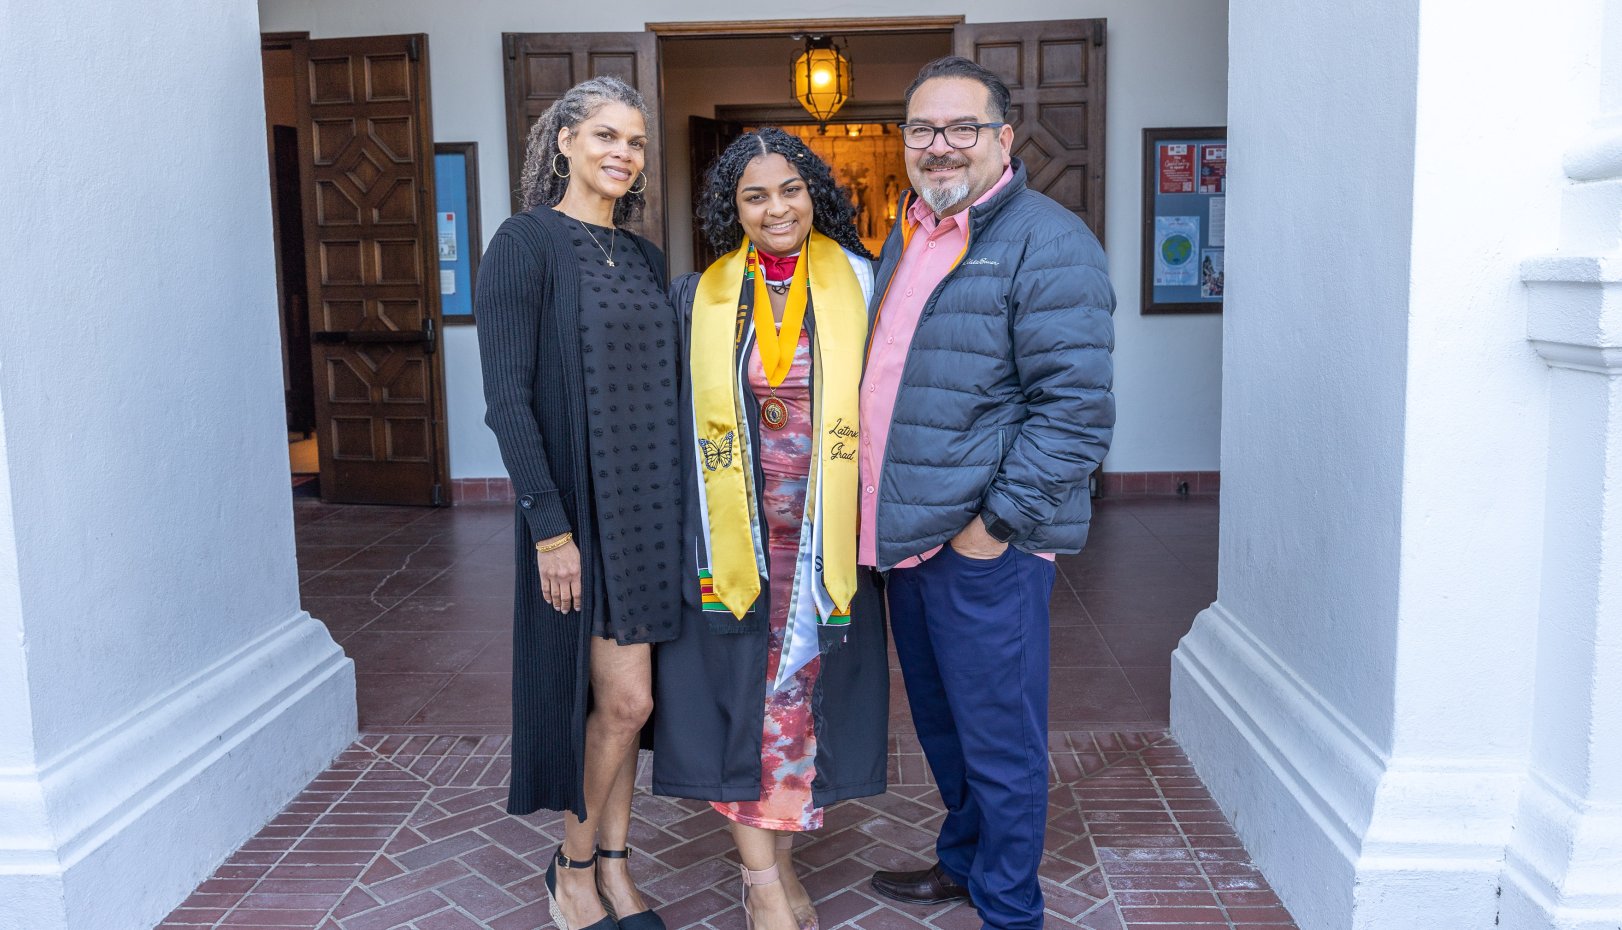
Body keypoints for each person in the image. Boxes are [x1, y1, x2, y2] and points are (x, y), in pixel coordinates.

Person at [860, 57, 1116, 930]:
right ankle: (965, 861)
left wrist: (992, 528)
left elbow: (1075, 413)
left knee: (1000, 740)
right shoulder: (909, 234)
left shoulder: (1050, 241)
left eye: (961, 128)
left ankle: (1010, 907)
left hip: (982, 546)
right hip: (908, 537)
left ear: (1003, 138)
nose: (940, 147)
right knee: (944, 728)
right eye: (923, 130)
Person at [654, 128, 889, 930]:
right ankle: (763, 888)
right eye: (754, 195)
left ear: (814, 193)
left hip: (826, 541)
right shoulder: (702, 297)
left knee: (794, 709)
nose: (775, 207)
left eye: (789, 189)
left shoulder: (863, 283)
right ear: (734, 208)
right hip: (735, 540)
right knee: (738, 707)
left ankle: (776, 871)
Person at [474, 76, 678, 930]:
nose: (621, 154)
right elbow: (507, 400)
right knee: (619, 702)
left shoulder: (642, 256)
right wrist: (548, 527)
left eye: (633, 141)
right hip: (582, 511)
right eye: (604, 136)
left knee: (632, 708)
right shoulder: (524, 244)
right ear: (562, 141)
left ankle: (617, 864)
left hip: (652, 505)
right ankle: (573, 867)